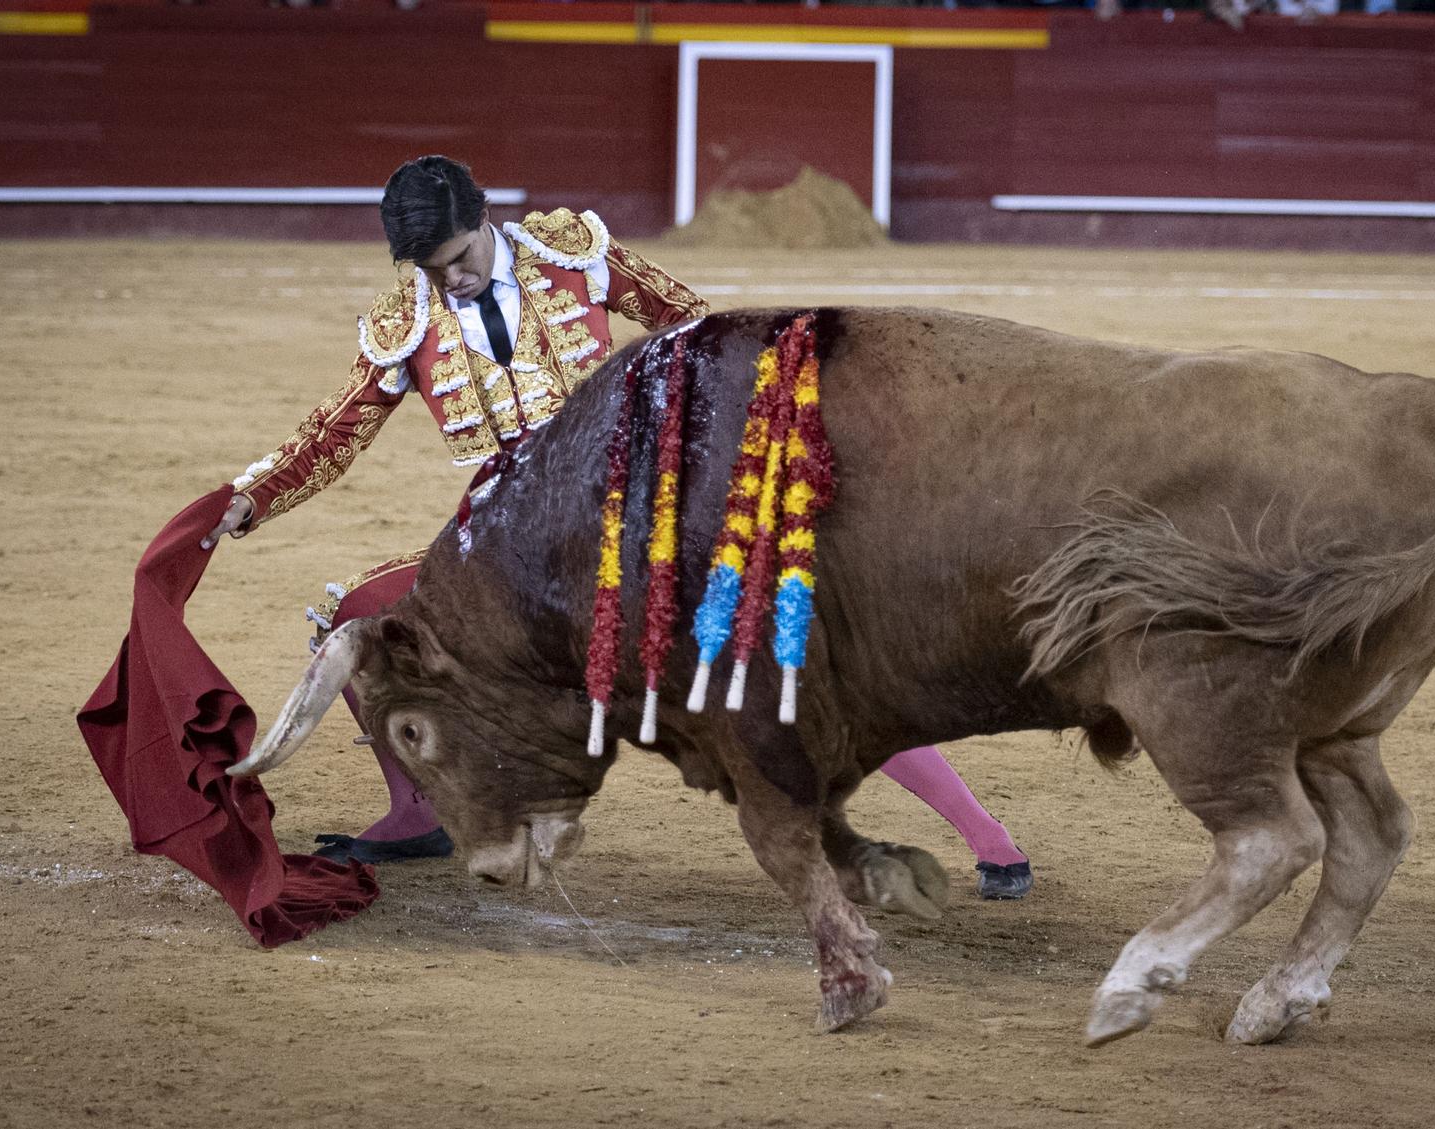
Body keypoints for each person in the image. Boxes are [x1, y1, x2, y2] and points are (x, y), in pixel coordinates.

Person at [203, 156, 1034, 899]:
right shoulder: (405, 321)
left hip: (634, 531)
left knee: (787, 659)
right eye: (429, 268)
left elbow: (697, 332)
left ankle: (984, 834)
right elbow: (332, 432)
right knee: (360, 617)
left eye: (456, 258)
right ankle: (414, 809)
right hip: (506, 556)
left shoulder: (575, 257)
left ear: (483, 221)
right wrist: (247, 498)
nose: (446, 280)